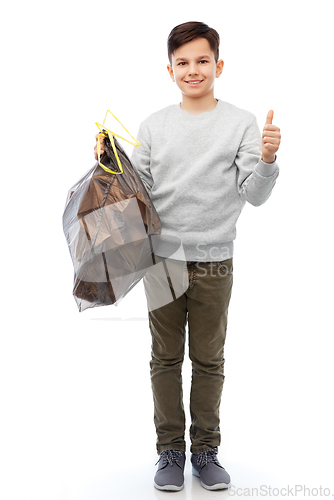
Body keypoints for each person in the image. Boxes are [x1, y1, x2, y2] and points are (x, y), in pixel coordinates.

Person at [94, 21, 281, 491]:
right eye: (183, 63)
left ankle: (206, 451)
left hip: (217, 261)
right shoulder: (154, 125)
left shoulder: (240, 122)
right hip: (163, 261)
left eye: (202, 61)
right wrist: (110, 163)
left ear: (218, 66)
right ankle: (171, 452)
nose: (192, 70)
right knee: (164, 359)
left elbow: (253, 195)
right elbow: (140, 193)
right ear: (170, 70)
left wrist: (269, 162)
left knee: (209, 360)